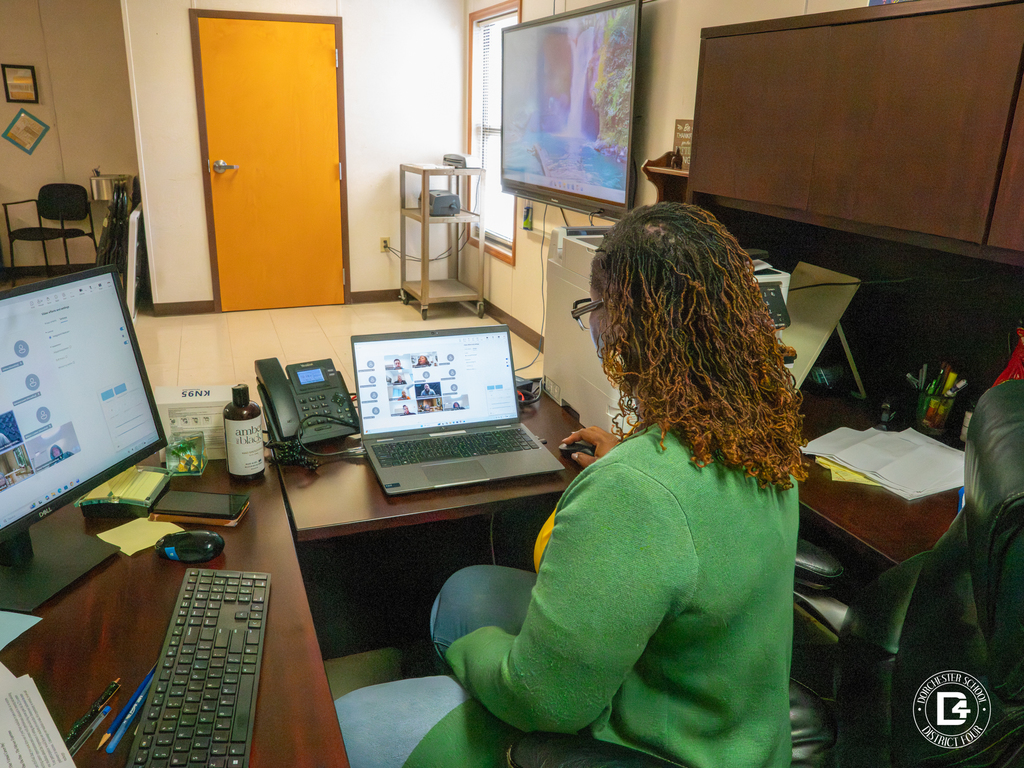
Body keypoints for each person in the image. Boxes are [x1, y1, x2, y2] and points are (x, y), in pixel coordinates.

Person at [335, 202, 806, 768]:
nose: (593, 324)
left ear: (630, 325)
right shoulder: (763, 438)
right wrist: (630, 454)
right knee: (466, 592)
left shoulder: (632, 491)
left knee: (353, 722)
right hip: (740, 734)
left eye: (594, 307)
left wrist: (473, 650)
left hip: (652, 751)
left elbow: (544, 702)